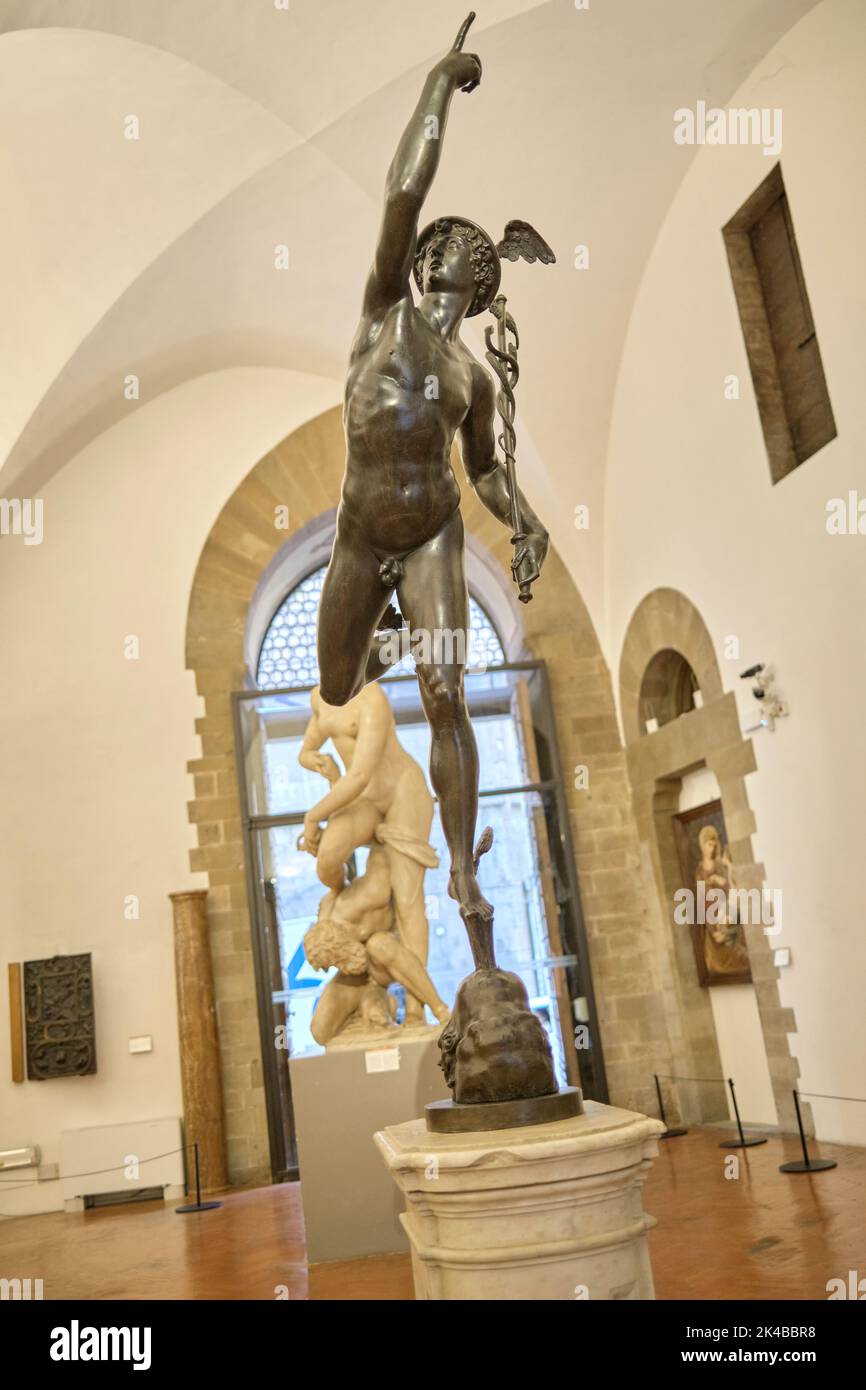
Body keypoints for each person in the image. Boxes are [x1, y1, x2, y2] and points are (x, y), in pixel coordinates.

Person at [316, 17, 549, 966]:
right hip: (362, 532)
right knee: (337, 681)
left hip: (434, 538)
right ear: (430, 259)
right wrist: (441, 85)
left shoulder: (471, 375)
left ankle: (460, 870)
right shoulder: (383, 312)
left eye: (481, 260)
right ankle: (407, 634)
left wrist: (525, 521)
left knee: (447, 691)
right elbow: (403, 186)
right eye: (460, 247)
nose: (472, 257)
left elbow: (488, 466)